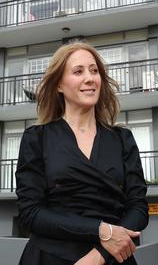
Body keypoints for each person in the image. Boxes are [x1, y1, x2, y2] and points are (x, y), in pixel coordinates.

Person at [16, 42, 148, 265]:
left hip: (112, 259)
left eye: (94, 71)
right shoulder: (36, 138)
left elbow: (138, 208)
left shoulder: (122, 139)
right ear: (59, 84)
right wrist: (102, 231)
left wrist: (99, 256)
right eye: (78, 71)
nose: (90, 78)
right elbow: (31, 212)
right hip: (48, 258)